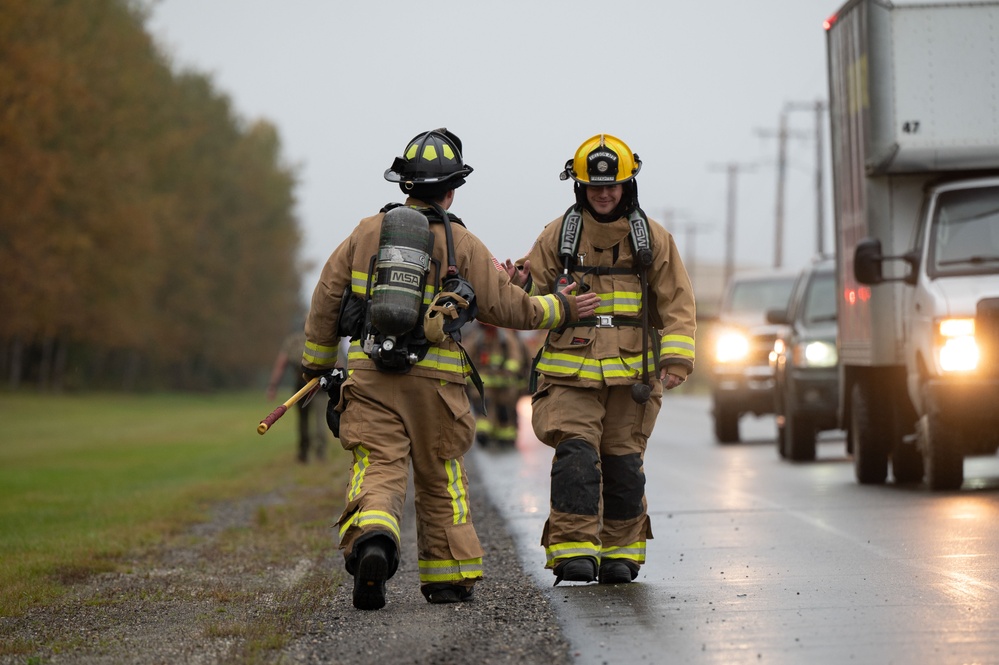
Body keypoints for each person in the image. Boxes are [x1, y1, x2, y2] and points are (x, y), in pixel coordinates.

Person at [301, 128, 600, 611]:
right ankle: (448, 577)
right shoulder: (460, 241)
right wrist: (562, 308)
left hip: (370, 378)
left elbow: (325, 301)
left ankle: (373, 538)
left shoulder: (362, 234)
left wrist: (317, 366)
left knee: (377, 464)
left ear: (405, 184)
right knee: (441, 476)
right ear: (452, 187)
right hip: (436, 385)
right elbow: (511, 309)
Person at [505, 133, 696, 586]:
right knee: (576, 456)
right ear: (580, 188)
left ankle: (620, 553)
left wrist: (676, 360)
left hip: (632, 376)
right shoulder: (558, 236)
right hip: (570, 375)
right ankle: (573, 552)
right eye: (595, 186)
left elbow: (678, 303)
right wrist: (516, 282)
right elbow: (531, 299)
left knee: (623, 465)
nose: (604, 193)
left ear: (627, 185)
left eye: (612, 185)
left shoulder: (653, 240)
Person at [266, 329, 331, 463]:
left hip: (302, 384)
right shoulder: (323, 337)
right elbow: (335, 362)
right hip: (319, 383)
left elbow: (281, 364)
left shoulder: (292, 341)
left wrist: (273, 386)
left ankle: (304, 453)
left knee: (304, 421)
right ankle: (320, 452)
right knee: (320, 419)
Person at [463, 321, 530, 448]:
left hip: (504, 382)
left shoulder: (506, 337)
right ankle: (484, 434)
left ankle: (505, 437)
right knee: (484, 409)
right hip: (483, 383)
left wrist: (509, 371)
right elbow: (467, 354)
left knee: (504, 410)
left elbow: (515, 356)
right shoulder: (477, 337)